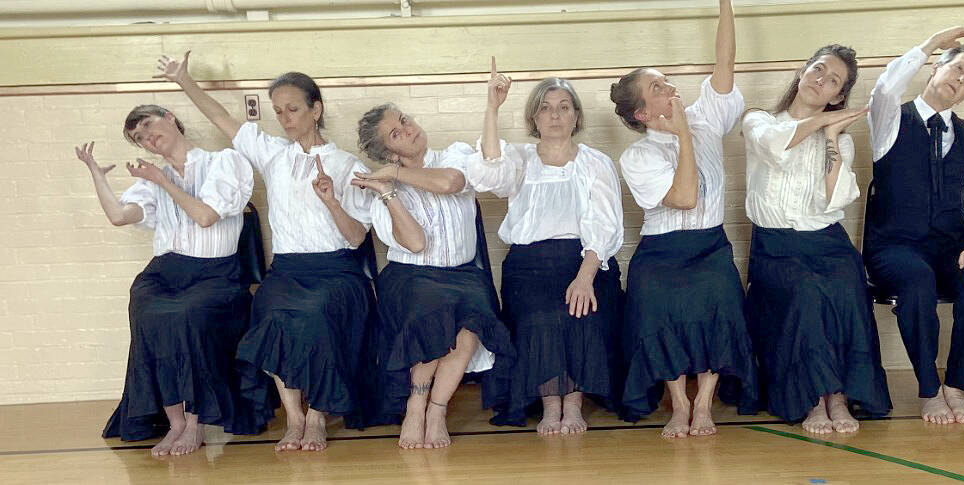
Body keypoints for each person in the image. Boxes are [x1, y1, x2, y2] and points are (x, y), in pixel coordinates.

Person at [158, 52, 377, 451]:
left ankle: (317, 416)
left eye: (293, 109)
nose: (285, 118)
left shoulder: (347, 165)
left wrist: (331, 201)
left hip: (336, 271)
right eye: (278, 111)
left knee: (317, 318)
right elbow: (221, 118)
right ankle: (294, 417)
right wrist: (184, 80)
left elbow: (358, 237)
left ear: (316, 110)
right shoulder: (273, 153)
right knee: (271, 313)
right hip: (288, 271)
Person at [608, 0, 758, 438]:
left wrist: (725, 4)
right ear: (642, 113)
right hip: (661, 253)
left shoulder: (706, 118)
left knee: (721, 303)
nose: (670, 87)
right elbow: (685, 197)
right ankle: (679, 403)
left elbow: (725, 61)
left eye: (666, 80)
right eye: (657, 87)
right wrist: (683, 137)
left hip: (710, 246)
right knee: (658, 309)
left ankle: (705, 403)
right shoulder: (637, 155)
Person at [87, 104, 254, 456]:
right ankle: (175, 422)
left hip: (216, 274)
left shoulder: (223, 161)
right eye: (139, 137)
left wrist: (163, 181)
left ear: (170, 119)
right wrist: (96, 175)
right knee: (148, 315)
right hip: (164, 272)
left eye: (149, 125)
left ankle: (195, 422)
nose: (147, 137)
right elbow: (119, 216)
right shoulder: (151, 179)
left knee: (185, 318)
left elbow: (206, 217)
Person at [741, 44, 892, 433]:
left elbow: (833, 198)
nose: (821, 80)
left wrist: (832, 134)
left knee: (847, 286)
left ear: (838, 96)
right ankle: (813, 398)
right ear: (802, 71)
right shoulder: (760, 120)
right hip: (776, 248)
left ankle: (838, 395)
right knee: (806, 291)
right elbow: (775, 146)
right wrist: (825, 120)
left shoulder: (840, 140)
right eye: (818, 69)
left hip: (828, 243)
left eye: (834, 81)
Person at [470, 62, 626, 435]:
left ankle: (573, 405)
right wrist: (492, 107)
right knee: (540, 319)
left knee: (580, 314)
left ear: (576, 116)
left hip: (586, 261)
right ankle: (550, 404)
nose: (554, 115)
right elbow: (489, 172)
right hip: (528, 266)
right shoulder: (519, 159)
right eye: (545, 108)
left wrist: (585, 278)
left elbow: (605, 224)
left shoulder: (596, 163)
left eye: (563, 107)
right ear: (534, 118)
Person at [352, 103, 514, 449]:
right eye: (396, 133)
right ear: (388, 152)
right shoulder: (384, 191)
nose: (408, 129)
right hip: (411, 277)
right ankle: (416, 406)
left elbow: (451, 182)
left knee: (471, 321)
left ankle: (437, 410)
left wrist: (394, 174)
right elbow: (415, 243)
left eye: (404, 121)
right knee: (432, 314)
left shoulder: (454, 154)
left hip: (463, 275)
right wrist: (388, 191)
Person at [863, 26, 964, 424]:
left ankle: (956, 386)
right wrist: (930, 44)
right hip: (894, 246)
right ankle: (928, 389)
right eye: (957, 69)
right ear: (934, 68)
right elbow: (884, 89)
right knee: (917, 282)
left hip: (950, 247)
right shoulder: (890, 118)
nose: (960, 80)